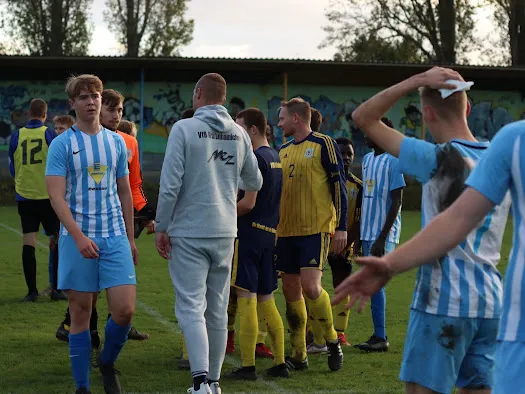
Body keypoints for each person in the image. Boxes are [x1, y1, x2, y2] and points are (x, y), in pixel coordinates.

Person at [334, 66, 511, 394]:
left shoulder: (437, 158)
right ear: (467, 108)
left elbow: (363, 118)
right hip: (489, 303)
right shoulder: (497, 158)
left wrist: (415, 81)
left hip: (443, 301)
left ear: (427, 114)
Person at [155, 73, 262, 394]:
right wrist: (224, 179)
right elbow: (254, 181)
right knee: (216, 308)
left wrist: (161, 225)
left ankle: (200, 380)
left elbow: (170, 184)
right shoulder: (239, 134)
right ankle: (212, 382)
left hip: (189, 229)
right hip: (225, 230)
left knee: (190, 305)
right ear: (224, 98)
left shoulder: (183, 129)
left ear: (199, 94)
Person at [46, 74, 138, 394]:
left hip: (114, 236)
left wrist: (129, 237)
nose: (91, 102)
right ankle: (82, 386)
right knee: (80, 313)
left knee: (125, 311)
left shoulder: (116, 142)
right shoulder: (62, 144)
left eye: (95, 95)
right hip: (77, 238)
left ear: (101, 99)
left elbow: (124, 192)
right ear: (72, 104)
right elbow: (56, 196)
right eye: (83, 97)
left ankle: (107, 362)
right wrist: (79, 236)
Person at [55, 89, 150, 348]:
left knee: (119, 294)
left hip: (116, 226)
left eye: (120, 110)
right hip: (83, 227)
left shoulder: (126, 142)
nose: (116, 115)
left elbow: (132, 184)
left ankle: (115, 331)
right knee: (87, 296)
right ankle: (83, 329)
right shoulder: (70, 142)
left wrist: (144, 214)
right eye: (112, 110)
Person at [275, 97, 347, 372]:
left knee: (311, 287)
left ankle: (331, 341)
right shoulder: (281, 150)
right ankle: (299, 354)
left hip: (315, 228)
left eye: (282, 118)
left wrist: (340, 226)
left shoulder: (323, 143)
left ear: (296, 118)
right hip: (286, 230)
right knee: (291, 290)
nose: (279, 123)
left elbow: (338, 185)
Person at [224, 108, 288, 380]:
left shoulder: (254, 158)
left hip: (248, 234)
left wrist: (222, 210)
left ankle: (248, 366)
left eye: (239, 128)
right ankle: (281, 362)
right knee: (267, 299)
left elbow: (248, 203)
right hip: (267, 234)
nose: (237, 134)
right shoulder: (275, 156)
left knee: (246, 297)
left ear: (252, 129)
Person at [353, 117, 405, 352]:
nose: (364, 136)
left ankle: (381, 337)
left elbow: (397, 200)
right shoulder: (366, 160)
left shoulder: (394, 160)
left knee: (376, 284)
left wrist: (383, 237)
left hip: (383, 233)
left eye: (368, 131)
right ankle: (377, 335)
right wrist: (358, 235)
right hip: (367, 231)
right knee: (372, 284)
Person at [308, 137, 361, 353]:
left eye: (349, 154)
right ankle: (312, 333)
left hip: (343, 245)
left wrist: (348, 243)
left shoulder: (357, 185)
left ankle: (340, 334)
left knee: (342, 288)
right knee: (312, 288)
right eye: (342, 153)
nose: (346, 158)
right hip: (320, 240)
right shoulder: (323, 179)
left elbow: (358, 219)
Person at [8, 98, 63, 302]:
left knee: (28, 242)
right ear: (45, 114)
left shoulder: (17, 135)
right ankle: (56, 289)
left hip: (25, 196)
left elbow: (12, 165)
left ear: (28, 114)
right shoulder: (49, 134)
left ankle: (31, 292)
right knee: (57, 239)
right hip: (48, 196)